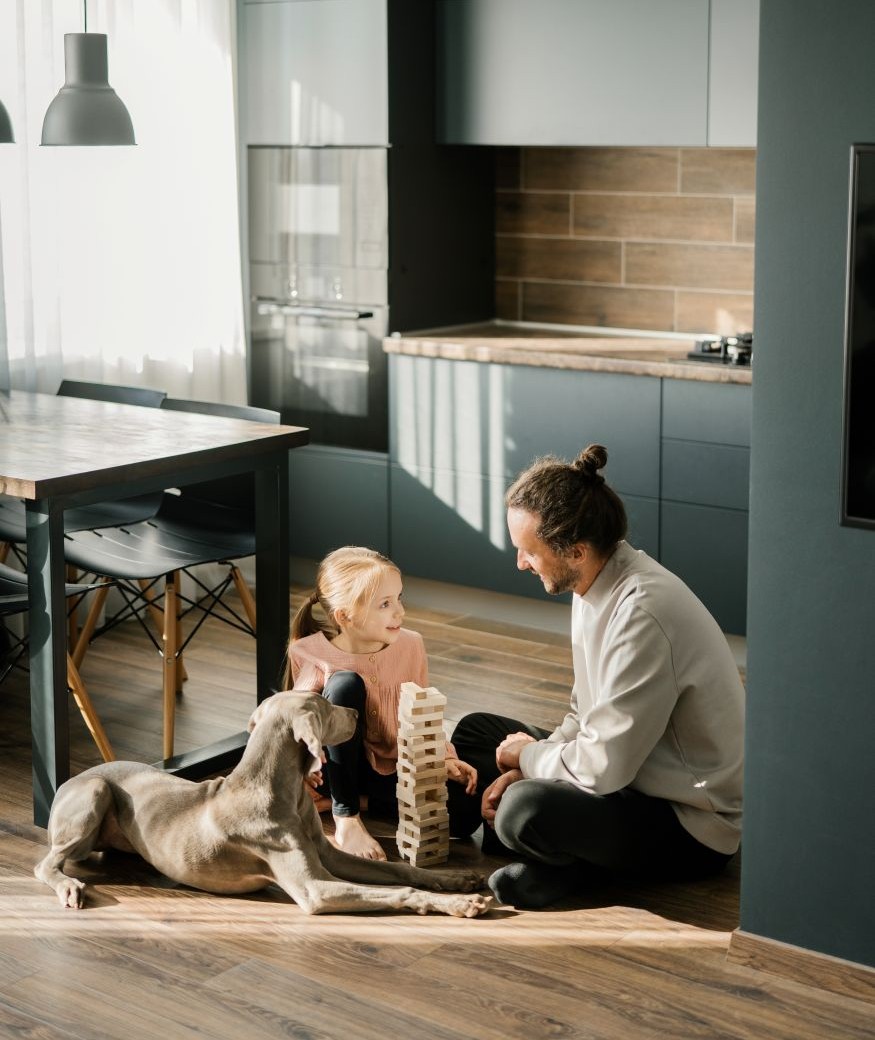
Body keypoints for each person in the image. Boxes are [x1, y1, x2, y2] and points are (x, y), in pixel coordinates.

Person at [449, 444, 745, 909]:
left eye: (530, 552)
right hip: (629, 776)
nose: (520, 563)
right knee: (476, 732)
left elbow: (606, 764)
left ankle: (565, 859)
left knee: (525, 809)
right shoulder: (592, 582)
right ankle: (556, 852)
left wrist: (530, 762)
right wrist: (526, 761)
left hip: (688, 823)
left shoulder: (643, 613)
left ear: (577, 551)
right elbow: (584, 712)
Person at [285, 545, 478, 860]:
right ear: (345, 616)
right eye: (385, 604)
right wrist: (305, 764)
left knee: (466, 813)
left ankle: (366, 801)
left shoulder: (411, 645)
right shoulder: (310, 652)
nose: (399, 612)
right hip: (333, 770)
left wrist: (442, 758)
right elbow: (298, 720)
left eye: (399, 598)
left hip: (393, 768)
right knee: (345, 685)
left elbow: (423, 709)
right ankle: (346, 816)